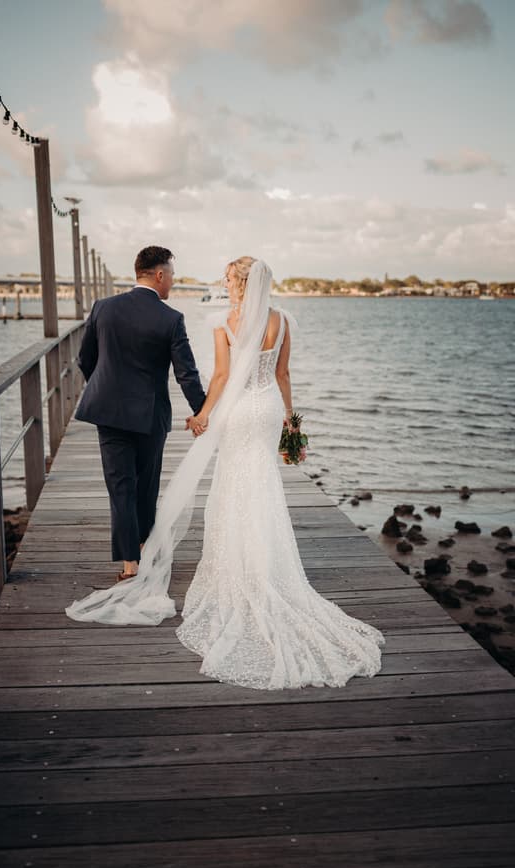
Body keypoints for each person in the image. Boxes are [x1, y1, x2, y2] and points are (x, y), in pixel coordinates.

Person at [66, 256, 385, 690]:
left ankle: (159, 564)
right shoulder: (282, 320)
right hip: (267, 409)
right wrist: (292, 425)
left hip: (216, 412)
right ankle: (265, 568)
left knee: (218, 486)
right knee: (263, 483)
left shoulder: (220, 321)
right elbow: (281, 374)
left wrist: (203, 416)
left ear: (235, 284)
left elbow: (218, 375)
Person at [73, 246, 206, 582]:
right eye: (172, 275)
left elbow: (85, 359)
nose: (173, 283)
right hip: (150, 416)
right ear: (159, 274)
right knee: (146, 486)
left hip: (109, 411)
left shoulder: (103, 308)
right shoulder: (170, 318)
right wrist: (202, 411)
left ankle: (129, 563)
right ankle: (144, 547)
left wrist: (104, 388)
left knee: (120, 486)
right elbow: (186, 374)